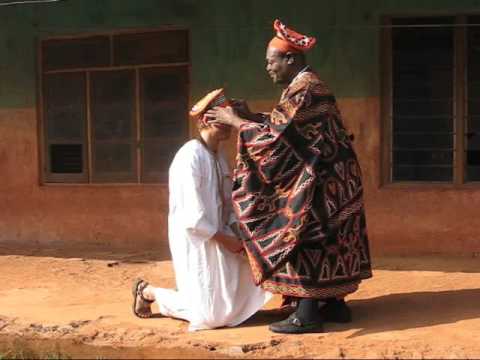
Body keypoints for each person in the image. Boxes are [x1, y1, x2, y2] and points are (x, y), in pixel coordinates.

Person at [206, 20, 373, 334]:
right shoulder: (307, 86)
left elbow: (276, 139)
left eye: (271, 61)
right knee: (332, 240)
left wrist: (234, 120)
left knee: (303, 233)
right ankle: (334, 303)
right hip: (336, 178)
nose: (267, 67)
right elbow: (288, 129)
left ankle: (307, 313)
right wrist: (251, 116)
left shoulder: (303, 88)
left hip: (321, 183)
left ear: (290, 60)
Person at [132, 89, 272, 332]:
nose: (229, 124)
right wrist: (223, 238)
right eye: (224, 118)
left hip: (221, 233)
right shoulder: (190, 156)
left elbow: (227, 199)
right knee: (209, 317)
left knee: (232, 302)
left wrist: (233, 228)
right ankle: (148, 292)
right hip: (197, 237)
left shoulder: (218, 157)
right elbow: (191, 215)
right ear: (207, 120)